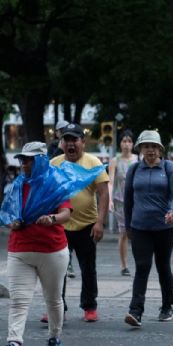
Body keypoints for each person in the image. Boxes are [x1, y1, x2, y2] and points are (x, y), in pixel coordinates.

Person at [0, 142, 72, 346]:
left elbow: (66, 213)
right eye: (21, 160)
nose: (23, 164)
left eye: (28, 159)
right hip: (20, 251)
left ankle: (55, 338)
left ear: (40, 161)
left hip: (53, 251)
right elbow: (9, 213)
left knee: (54, 300)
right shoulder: (18, 185)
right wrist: (13, 222)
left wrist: (52, 219)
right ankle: (14, 345)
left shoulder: (55, 183)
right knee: (18, 300)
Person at [123, 130, 173, 327]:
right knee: (142, 267)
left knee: (163, 266)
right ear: (140, 149)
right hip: (140, 227)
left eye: (154, 146)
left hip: (165, 227)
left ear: (160, 149)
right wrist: (127, 225)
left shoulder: (169, 168)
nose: (150, 150)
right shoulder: (134, 170)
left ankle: (167, 305)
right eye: (146, 146)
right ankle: (136, 311)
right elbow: (128, 200)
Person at [50, 120, 110, 322]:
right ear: (62, 143)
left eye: (74, 140)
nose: (70, 144)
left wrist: (100, 222)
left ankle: (89, 307)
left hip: (87, 226)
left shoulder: (93, 163)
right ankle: (57, 308)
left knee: (88, 269)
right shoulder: (54, 164)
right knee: (57, 270)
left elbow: (103, 193)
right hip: (60, 226)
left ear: (83, 142)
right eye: (66, 140)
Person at [108, 130, 137, 276]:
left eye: (129, 141)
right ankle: (124, 265)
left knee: (137, 232)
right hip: (120, 201)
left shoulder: (138, 160)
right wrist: (109, 200)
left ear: (133, 144)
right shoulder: (115, 161)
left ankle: (139, 262)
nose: (126, 144)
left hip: (137, 201)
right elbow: (111, 182)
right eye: (124, 141)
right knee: (124, 232)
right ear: (120, 143)